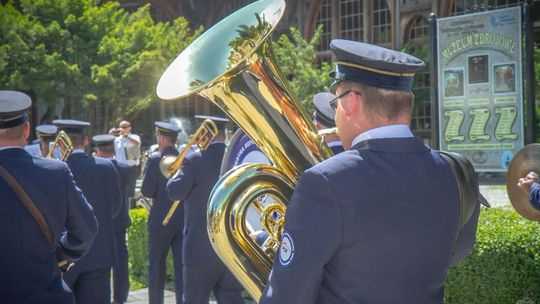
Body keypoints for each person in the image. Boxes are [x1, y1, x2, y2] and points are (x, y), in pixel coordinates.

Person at [259, 40, 483, 303]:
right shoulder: (456, 170)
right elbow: (457, 252)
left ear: (351, 102)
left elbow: (286, 297)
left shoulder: (323, 181)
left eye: (335, 103)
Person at [0, 90, 98, 303]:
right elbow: (87, 229)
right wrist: (61, 256)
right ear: (27, 130)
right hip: (46, 293)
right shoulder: (57, 172)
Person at [166, 115, 244, 304]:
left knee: (194, 299)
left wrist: (178, 169)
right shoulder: (237, 158)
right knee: (231, 298)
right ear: (224, 133)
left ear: (205, 132)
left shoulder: (194, 160)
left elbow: (174, 191)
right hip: (231, 246)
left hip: (200, 248)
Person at [53, 119, 123, 304]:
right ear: (85, 141)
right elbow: (115, 208)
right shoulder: (107, 166)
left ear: (60, 142)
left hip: (63, 255)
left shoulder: (52, 169)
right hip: (99, 252)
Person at [141, 121, 183, 304]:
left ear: (163, 138)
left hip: (160, 221)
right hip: (182, 221)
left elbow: (147, 191)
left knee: (156, 268)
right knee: (182, 269)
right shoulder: (186, 158)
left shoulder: (155, 159)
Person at [93, 134, 134, 304]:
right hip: (118, 221)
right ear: (114, 149)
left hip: (99, 221)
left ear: (98, 150)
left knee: (99, 262)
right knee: (121, 262)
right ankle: (120, 298)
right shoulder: (124, 168)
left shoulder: (94, 167)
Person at [115, 120, 141, 207]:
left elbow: (137, 143)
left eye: (125, 127)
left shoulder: (134, 137)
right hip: (119, 168)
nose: (122, 129)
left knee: (130, 190)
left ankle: (131, 209)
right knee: (120, 189)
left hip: (131, 168)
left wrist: (126, 136)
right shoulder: (116, 140)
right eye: (121, 127)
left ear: (129, 128)